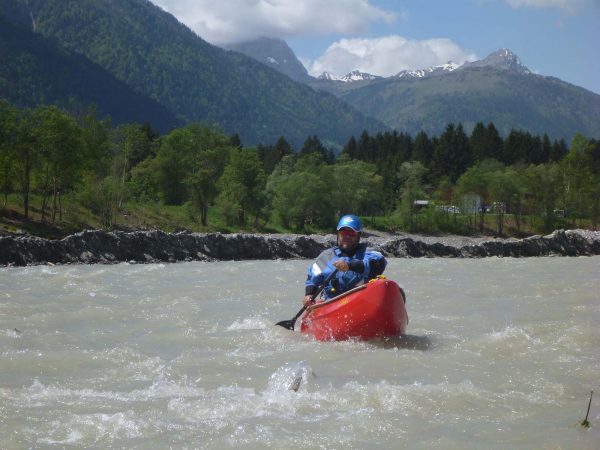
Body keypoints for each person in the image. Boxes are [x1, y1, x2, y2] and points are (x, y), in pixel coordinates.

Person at [303, 214, 387, 307]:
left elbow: (378, 263)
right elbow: (312, 279)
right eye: (343, 232)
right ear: (338, 234)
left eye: (352, 233)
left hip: (362, 302)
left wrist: (349, 265)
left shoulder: (369, 253)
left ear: (358, 235)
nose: (347, 236)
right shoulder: (325, 257)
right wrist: (309, 295)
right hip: (333, 305)